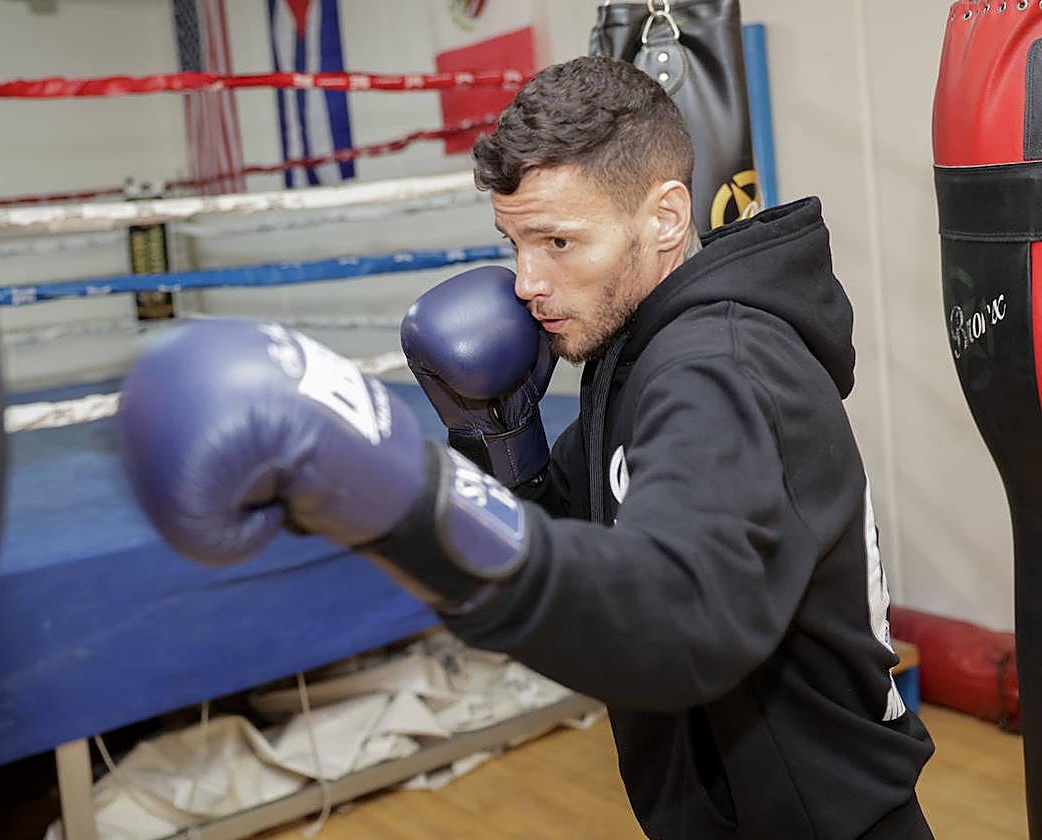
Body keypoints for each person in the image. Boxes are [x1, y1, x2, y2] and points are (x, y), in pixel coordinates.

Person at [118, 56, 935, 839]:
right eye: (514, 245)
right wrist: (498, 438)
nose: (525, 283)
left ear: (664, 217)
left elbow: (676, 621)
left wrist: (409, 508)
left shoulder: (716, 372)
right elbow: (575, 542)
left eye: (557, 243)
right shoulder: (638, 353)